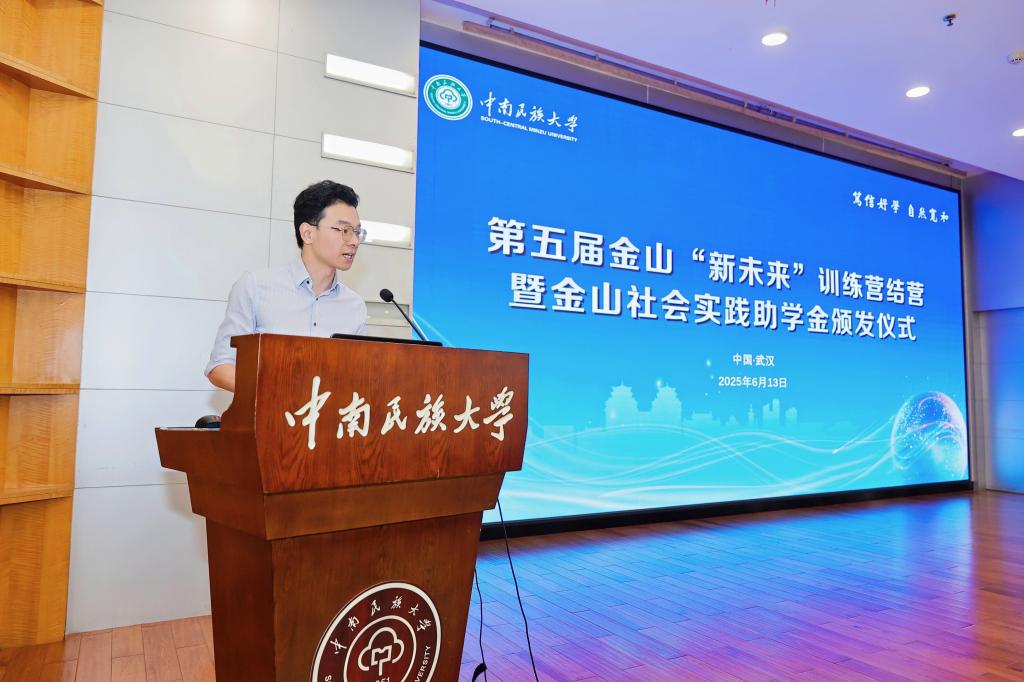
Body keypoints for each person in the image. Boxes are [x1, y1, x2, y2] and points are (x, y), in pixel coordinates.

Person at [205, 180, 368, 392]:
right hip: (268, 412)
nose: (354, 241)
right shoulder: (255, 287)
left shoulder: (354, 306)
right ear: (308, 233)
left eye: (357, 231)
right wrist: (279, 392)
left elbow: (359, 377)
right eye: (344, 230)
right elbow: (220, 367)